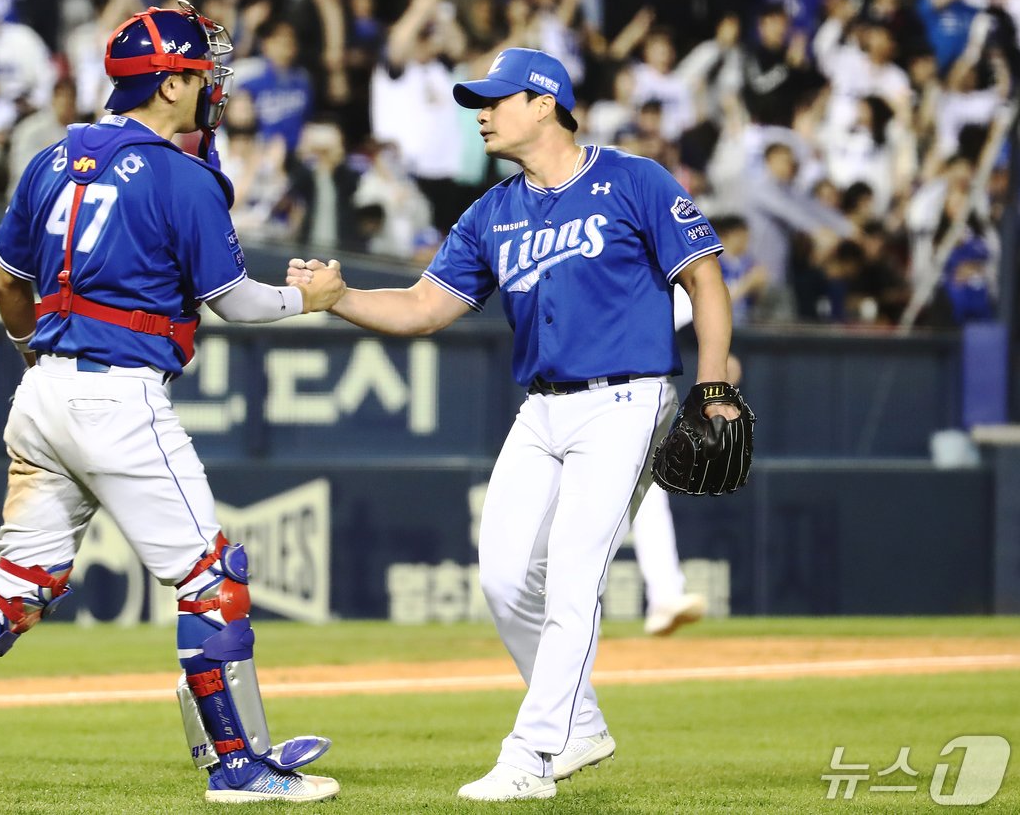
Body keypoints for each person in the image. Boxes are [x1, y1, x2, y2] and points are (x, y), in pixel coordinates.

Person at [0, 1, 345, 804]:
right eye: (199, 73)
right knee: (212, 577)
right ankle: (238, 766)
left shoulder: (50, 159)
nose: (208, 86)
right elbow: (239, 303)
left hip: (42, 388)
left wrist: (37, 360)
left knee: (20, 577)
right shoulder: (183, 176)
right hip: (118, 396)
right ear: (171, 83)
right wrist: (314, 299)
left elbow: (5, 285)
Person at [289, 47, 739, 801]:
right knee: (503, 579)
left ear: (544, 103)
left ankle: (531, 753)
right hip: (542, 406)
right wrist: (339, 298)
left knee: (572, 578)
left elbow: (705, 277)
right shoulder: (491, 210)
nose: (482, 112)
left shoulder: (632, 179)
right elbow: (424, 307)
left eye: (497, 99)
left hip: (628, 399)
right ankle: (582, 721)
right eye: (479, 101)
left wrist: (716, 379)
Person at [632, 287, 744, 636]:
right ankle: (557, 605)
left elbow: (693, 323)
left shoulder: (658, 271)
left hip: (633, 398)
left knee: (647, 493)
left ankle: (665, 594)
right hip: (570, 399)